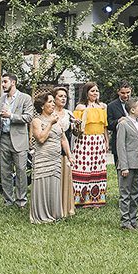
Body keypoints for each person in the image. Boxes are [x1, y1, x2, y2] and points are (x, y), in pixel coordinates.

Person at [0, 72, 34, 208]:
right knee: (5, 172)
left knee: (21, 170)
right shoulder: (1, 100)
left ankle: (21, 201)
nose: (3, 85)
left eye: (5, 82)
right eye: (2, 82)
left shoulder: (25, 98)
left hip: (19, 139)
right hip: (3, 137)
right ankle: (8, 201)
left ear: (13, 82)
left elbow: (28, 117)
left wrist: (11, 116)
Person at [30, 92, 69, 224]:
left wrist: (70, 156)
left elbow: (63, 139)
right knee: (43, 185)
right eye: (50, 102)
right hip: (43, 158)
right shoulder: (37, 121)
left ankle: (54, 213)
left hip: (55, 158)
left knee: (54, 184)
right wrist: (50, 124)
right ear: (42, 105)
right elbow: (40, 138)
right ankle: (41, 215)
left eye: (53, 102)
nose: (53, 104)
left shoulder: (56, 119)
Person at [71, 82, 108, 209]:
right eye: (92, 91)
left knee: (97, 168)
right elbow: (76, 128)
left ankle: (96, 199)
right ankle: (81, 199)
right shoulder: (80, 107)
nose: (95, 93)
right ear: (86, 93)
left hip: (99, 141)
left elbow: (104, 127)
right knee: (84, 168)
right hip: (85, 141)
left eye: (97, 91)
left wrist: (106, 141)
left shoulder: (102, 107)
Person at [113, 97, 138, 229]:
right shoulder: (123, 124)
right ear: (132, 110)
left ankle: (134, 219)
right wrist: (124, 166)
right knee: (125, 193)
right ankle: (125, 221)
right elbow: (121, 146)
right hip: (127, 164)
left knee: (135, 193)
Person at [52, 87, 76, 217]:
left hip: (64, 148)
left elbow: (76, 133)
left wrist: (77, 126)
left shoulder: (68, 113)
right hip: (52, 147)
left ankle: (66, 207)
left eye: (65, 96)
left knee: (65, 177)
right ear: (54, 98)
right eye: (60, 96)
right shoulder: (50, 113)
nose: (63, 99)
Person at [106, 80, 134, 159]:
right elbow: (109, 124)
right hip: (119, 142)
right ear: (118, 92)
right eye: (123, 93)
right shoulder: (111, 106)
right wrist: (118, 121)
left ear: (131, 90)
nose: (125, 95)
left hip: (134, 144)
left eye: (128, 92)